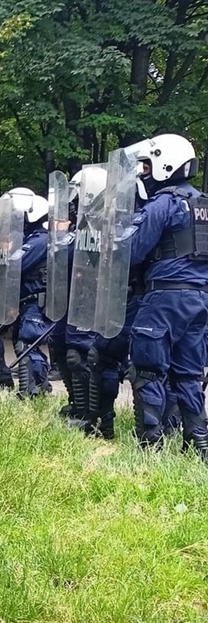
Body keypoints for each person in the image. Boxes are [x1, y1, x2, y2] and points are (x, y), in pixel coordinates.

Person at [126, 133, 208, 458]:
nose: (144, 172)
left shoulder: (164, 203)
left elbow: (134, 251)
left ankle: (150, 445)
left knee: (147, 369)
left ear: (165, 164)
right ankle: (198, 443)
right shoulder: (203, 204)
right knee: (188, 374)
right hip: (199, 300)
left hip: (165, 299)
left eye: (147, 165)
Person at [4, 187, 51, 399]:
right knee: (21, 341)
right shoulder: (31, 238)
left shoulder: (40, 240)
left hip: (37, 301)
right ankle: (38, 386)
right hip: (27, 300)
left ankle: (31, 390)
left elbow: (15, 265)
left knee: (27, 342)